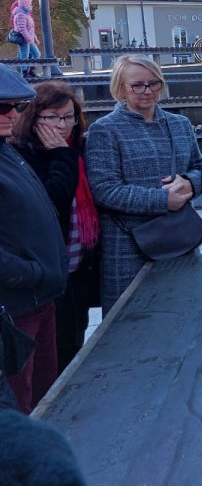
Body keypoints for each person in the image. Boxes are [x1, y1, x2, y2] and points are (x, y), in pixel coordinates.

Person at [85, 55, 202, 315]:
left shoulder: (180, 124)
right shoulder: (105, 130)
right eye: (137, 85)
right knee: (130, 326)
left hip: (179, 239)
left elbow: (201, 168)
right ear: (120, 88)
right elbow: (104, 189)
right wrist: (162, 200)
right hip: (128, 247)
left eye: (154, 83)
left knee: (185, 317)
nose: (147, 91)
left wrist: (190, 184)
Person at [12, 82, 100, 374]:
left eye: (68, 116)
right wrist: (62, 156)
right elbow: (53, 202)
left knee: (76, 333)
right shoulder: (24, 154)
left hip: (78, 265)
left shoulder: (79, 148)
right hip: (47, 269)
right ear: (33, 117)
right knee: (54, 350)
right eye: (53, 117)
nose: (62, 125)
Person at [0, 67, 67, 413]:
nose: (12, 113)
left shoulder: (6, 151)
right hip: (15, 311)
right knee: (20, 404)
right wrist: (33, 273)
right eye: (1, 107)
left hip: (40, 299)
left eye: (13, 105)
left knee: (46, 396)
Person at [10, 0, 40, 77]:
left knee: (35, 54)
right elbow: (22, 28)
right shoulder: (20, 12)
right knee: (24, 56)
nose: (31, 5)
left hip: (29, 37)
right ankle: (25, 72)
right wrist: (30, 39)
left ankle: (29, 70)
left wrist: (34, 37)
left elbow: (30, 27)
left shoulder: (27, 13)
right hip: (23, 38)